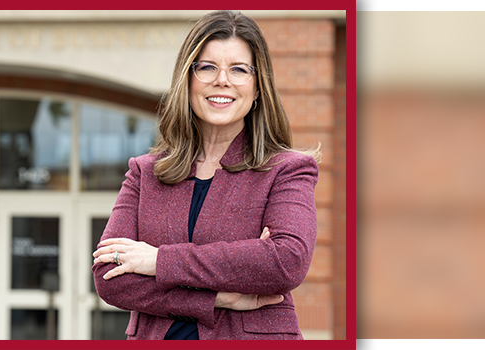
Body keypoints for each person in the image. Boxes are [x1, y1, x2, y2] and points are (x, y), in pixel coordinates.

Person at [91, 10, 320, 340]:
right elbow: (109, 275)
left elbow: (286, 260)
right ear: (188, 79)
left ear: (258, 89)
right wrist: (216, 298)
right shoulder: (144, 172)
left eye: (239, 69)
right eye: (207, 67)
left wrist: (159, 261)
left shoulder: (287, 170)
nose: (222, 80)